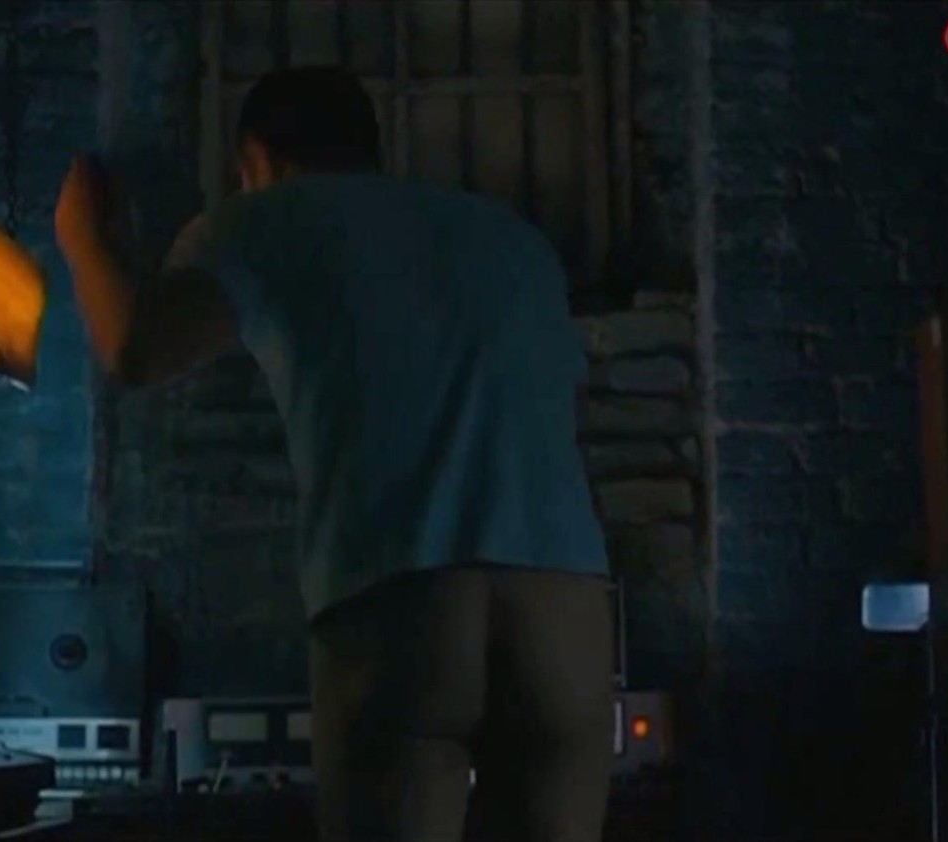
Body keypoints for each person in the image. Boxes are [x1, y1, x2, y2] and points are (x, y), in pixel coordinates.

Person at [53, 65, 614, 842]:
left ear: (255, 159)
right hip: (568, 607)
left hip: (402, 600)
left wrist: (82, 234)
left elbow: (137, 347)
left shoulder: (261, 221)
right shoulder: (512, 241)